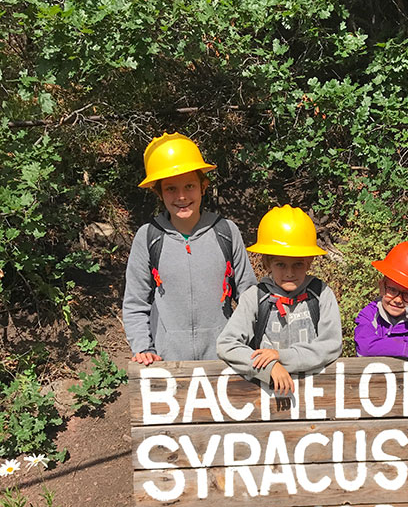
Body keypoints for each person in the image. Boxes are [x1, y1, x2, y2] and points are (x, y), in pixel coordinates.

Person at [123, 132, 256, 364]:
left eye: (190, 186)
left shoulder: (226, 231)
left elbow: (248, 296)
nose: (182, 196)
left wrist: (248, 345)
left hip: (223, 362)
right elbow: (135, 303)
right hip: (167, 364)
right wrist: (143, 347)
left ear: (203, 186)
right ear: (159, 192)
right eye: (171, 189)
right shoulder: (148, 237)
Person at [217, 205, 342, 394]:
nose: (289, 273)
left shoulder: (321, 294)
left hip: (315, 400)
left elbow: (331, 345)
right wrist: (269, 366)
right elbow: (226, 345)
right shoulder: (256, 297)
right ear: (267, 263)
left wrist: (282, 357)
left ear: (309, 262)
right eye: (281, 264)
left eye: (298, 264)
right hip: (266, 402)